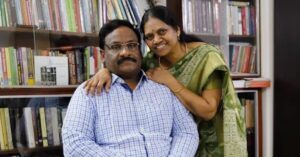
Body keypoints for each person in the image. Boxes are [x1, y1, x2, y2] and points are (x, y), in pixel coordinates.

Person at [84, 5, 247, 157]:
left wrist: (170, 81)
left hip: (216, 138)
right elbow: (126, 69)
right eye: (149, 36)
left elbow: (208, 111)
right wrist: (105, 70)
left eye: (162, 31)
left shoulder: (207, 56)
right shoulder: (151, 62)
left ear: (176, 30)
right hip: (178, 141)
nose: (156, 40)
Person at [62, 19, 199, 157]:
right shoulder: (88, 92)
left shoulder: (163, 87)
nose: (125, 52)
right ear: (103, 55)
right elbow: (75, 144)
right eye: (116, 47)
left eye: (132, 45)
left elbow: (186, 132)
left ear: (140, 50)